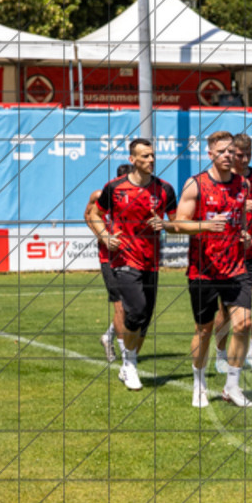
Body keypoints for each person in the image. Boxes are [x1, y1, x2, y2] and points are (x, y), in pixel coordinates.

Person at [172, 131, 252, 408]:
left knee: (244, 323)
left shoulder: (243, 185)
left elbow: (240, 221)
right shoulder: (195, 185)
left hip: (235, 268)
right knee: (204, 330)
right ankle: (199, 383)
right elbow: (178, 224)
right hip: (203, 271)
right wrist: (205, 225)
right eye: (222, 152)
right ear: (210, 154)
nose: (228, 156)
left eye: (231, 151)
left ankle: (232, 386)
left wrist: (245, 236)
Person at [87, 141, 177, 391]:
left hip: (151, 261)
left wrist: (167, 225)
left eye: (152, 156)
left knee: (145, 318)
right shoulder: (114, 188)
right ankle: (130, 365)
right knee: (135, 310)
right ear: (133, 159)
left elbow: (177, 221)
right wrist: (105, 236)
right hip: (123, 259)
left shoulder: (165, 189)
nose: (150, 160)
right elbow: (94, 214)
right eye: (145, 156)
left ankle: (129, 363)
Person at [210, 133, 252, 376]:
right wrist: (236, 205)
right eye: (239, 154)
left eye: (248, 154)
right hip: (229, 251)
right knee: (226, 311)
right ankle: (220, 353)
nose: (244, 159)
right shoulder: (224, 179)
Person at [86, 162, 132, 363]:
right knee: (120, 307)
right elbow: (88, 215)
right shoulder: (101, 196)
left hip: (132, 257)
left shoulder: (137, 196)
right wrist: (103, 235)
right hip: (109, 258)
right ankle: (125, 356)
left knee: (135, 307)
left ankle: (107, 337)